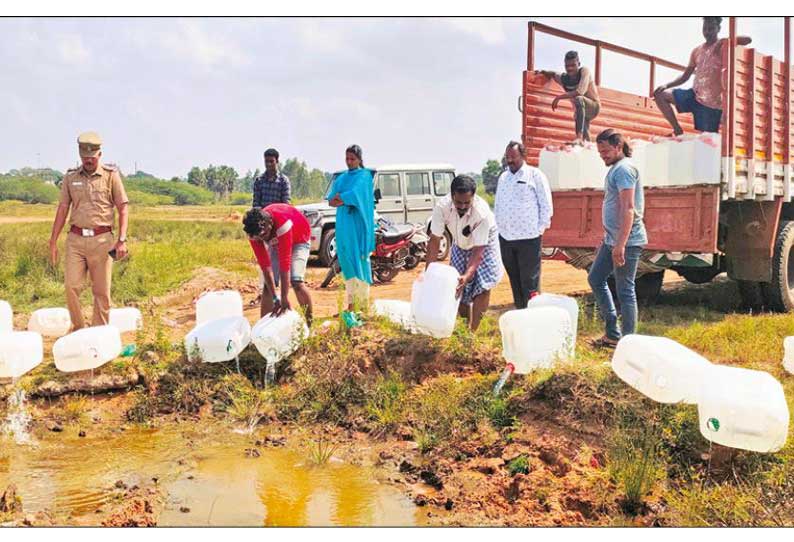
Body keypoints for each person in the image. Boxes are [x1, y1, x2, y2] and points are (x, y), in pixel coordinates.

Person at [48, 132, 129, 330]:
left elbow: (123, 207)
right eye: (85, 159)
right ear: (80, 155)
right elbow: (63, 208)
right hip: (75, 240)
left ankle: (99, 333)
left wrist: (122, 239)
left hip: (102, 241)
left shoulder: (111, 176)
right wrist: (53, 241)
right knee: (71, 286)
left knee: (101, 291)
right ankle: (78, 329)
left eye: (92, 158)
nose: (88, 162)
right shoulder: (70, 177)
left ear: (99, 154)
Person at [588, 129, 647, 349]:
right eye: (599, 152)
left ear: (618, 146)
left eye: (605, 151)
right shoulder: (616, 169)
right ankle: (613, 333)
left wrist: (620, 244)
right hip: (612, 240)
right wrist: (609, 239)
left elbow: (628, 209)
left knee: (625, 290)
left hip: (628, 241)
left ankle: (628, 343)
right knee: (596, 278)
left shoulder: (624, 169)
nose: (602, 155)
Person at [426, 175, 503, 331]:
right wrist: (429, 271)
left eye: (466, 202)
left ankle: (473, 332)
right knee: (457, 286)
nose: (462, 206)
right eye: (458, 202)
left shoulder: (482, 213)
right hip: (460, 243)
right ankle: (463, 329)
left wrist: (467, 276)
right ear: (452, 195)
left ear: (473, 197)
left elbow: (478, 251)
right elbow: (434, 240)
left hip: (484, 244)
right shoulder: (442, 207)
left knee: (482, 285)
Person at [653, 17, 752, 135]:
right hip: (694, 96)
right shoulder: (697, 50)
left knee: (706, 140)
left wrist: (725, 40)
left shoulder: (724, 46)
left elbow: (748, 40)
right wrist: (667, 84)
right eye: (705, 28)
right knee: (660, 94)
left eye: (711, 28)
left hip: (712, 105)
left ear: (718, 29)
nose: (707, 32)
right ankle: (677, 129)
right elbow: (685, 76)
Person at [494, 141, 553, 309]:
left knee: (530, 282)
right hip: (506, 238)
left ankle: (533, 316)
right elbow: (498, 205)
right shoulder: (503, 177)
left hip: (529, 238)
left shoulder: (535, 175)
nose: (510, 161)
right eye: (507, 158)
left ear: (523, 156)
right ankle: (521, 313)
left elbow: (546, 205)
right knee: (515, 279)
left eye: (513, 157)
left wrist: (540, 229)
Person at [243, 204, 313, 324]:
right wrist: (276, 299)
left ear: (270, 223)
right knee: (267, 287)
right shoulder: (255, 233)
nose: (262, 240)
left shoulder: (282, 223)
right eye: (258, 238)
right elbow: (265, 267)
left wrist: (284, 297)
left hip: (300, 238)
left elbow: (284, 264)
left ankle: (309, 324)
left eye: (264, 235)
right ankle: (262, 331)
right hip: (276, 240)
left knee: (296, 281)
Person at [327, 144, 376, 313]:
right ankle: (351, 304)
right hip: (343, 225)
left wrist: (344, 197)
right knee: (347, 261)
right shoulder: (341, 178)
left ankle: (362, 305)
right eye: (347, 159)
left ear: (360, 159)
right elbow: (331, 200)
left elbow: (356, 195)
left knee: (360, 260)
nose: (349, 162)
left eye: (352, 159)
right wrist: (344, 198)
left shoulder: (364, 176)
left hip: (359, 226)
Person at [251, 148, 291, 305]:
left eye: (271, 161)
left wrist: (273, 222)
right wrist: (259, 224)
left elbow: (285, 203)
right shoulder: (259, 181)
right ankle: (265, 292)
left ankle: (279, 292)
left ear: (277, 161)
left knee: (280, 260)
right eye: (266, 161)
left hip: (278, 224)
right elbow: (256, 204)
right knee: (264, 260)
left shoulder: (283, 181)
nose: (268, 164)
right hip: (262, 226)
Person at [538, 51, 601, 143]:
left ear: (578, 64)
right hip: (581, 111)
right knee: (585, 137)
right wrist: (542, 72)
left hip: (593, 107)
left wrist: (558, 98)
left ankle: (578, 138)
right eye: (567, 66)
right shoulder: (564, 79)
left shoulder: (584, 71)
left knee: (579, 99)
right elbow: (553, 74)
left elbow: (580, 92)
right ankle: (586, 145)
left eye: (573, 65)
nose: (570, 68)